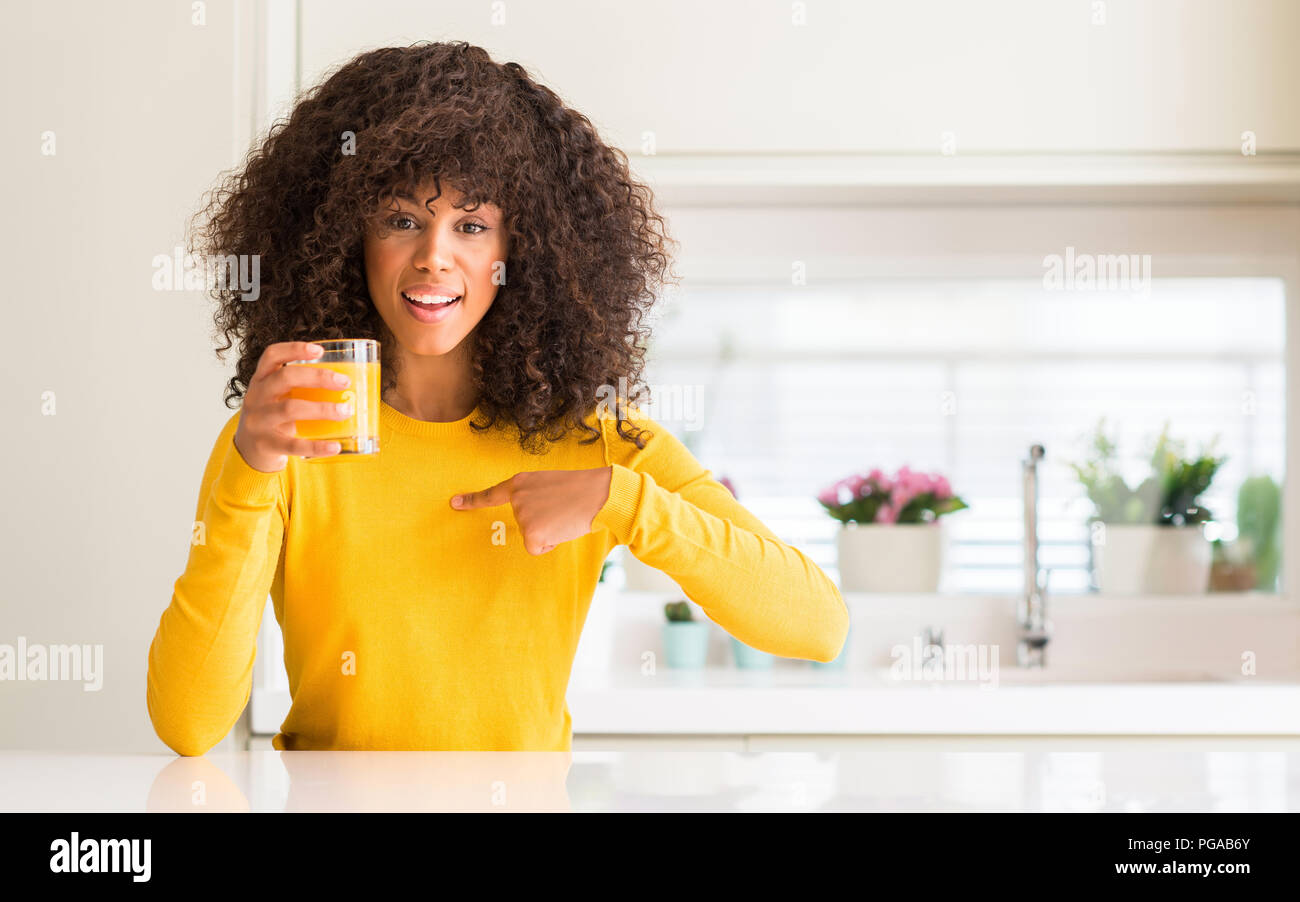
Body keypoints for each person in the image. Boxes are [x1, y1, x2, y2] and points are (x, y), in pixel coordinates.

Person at [147, 41, 847, 755]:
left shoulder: (598, 444)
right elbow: (189, 722)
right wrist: (250, 469)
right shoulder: (292, 433)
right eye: (401, 220)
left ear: (524, 250)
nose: (433, 257)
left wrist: (623, 502)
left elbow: (816, 625)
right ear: (344, 237)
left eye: (472, 226)